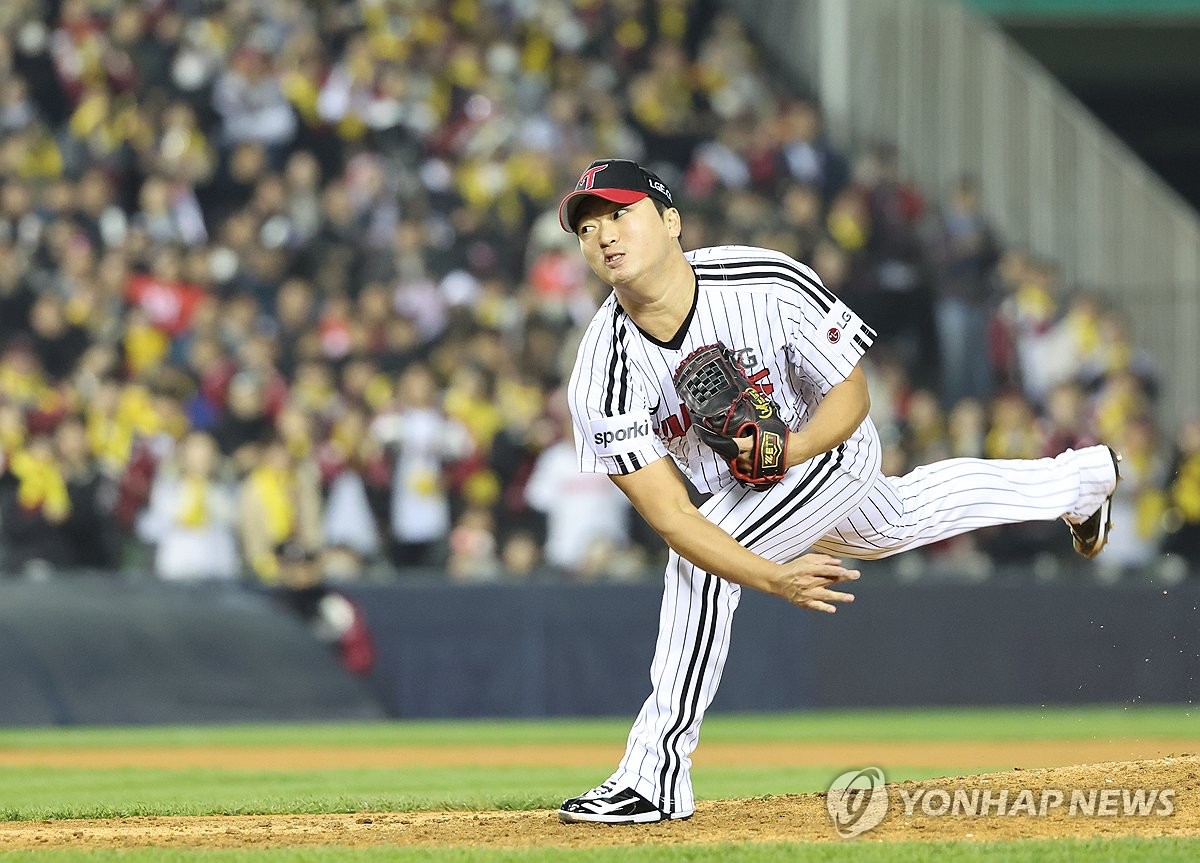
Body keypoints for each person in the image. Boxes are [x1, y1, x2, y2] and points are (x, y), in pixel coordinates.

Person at [555, 159, 1120, 824]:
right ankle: (1082, 480)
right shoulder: (601, 375)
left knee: (699, 571)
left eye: (620, 212)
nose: (604, 234)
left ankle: (655, 774)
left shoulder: (763, 279)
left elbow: (852, 393)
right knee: (898, 516)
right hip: (748, 490)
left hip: (829, 444)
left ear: (672, 220)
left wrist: (786, 448)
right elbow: (674, 515)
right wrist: (773, 578)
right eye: (587, 226)